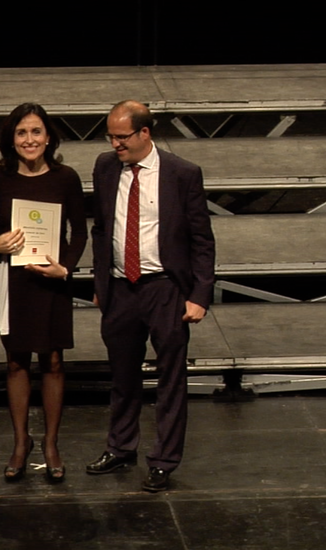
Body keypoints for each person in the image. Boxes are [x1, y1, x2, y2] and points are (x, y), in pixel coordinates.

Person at [86, 100, 215, 492]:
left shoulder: (181, 174)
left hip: (165, 288)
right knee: (122, 376)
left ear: (145, 133)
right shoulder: (106, 167)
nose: (115, 144)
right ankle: (121, 446)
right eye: (111, 136)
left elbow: (201, 240)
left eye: (122, 136)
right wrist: (101, 282)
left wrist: (199, 295)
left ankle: (163, 460)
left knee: (170, 379)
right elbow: (101, 228)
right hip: (120, 288)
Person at [0, 103, 87, 483]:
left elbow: (80, 232)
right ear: (11, 138)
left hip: (52, 280)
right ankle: (20, 443)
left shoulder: (66, 177)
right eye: (22, 133)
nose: (29, 140)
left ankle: (51, 444)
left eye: (36, 132)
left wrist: (66, 268)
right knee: (15, 363)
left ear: (49, 137)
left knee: (53, 361)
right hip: (14, 279)